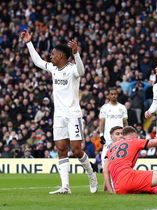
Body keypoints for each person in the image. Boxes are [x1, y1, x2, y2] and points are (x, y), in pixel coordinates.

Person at [20, 29, 98, 194]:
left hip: (73, 114)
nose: (51, 56)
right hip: (59, 115)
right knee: (61, 148)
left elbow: (82, 72)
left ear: (62, 56)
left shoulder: (72, 70)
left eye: (54, 54)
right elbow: (38, 62)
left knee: (77, 150)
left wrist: (76, 54)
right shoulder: (54, 69)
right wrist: (29, 43)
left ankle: (92, 175)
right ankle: (65, 186)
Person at [103, 126, 157, 194]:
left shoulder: (111, 147)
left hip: (118, 187)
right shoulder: (134, 141)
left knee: (144, 182)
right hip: (127, 178)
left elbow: (105, 170)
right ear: (133, 135)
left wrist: (111, 191)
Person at [98, 87, 128, 189]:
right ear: (108, 96)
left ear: (117, 95)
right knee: (104, 160)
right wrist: (101, 135)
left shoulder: (122, 108)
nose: (113, 95)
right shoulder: (104, 108)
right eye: (111, 94)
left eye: (115, 94)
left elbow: (125, 123)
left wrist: (126, 135)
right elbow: (102, 122)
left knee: (117, 160)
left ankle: (111, 183)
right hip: (108, 138)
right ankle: (107, 183)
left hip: (119, 138)